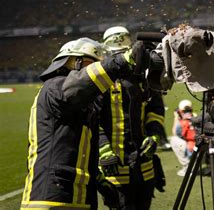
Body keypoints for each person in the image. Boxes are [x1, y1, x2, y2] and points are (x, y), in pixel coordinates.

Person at [21, 37, 140, 209]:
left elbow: (81, 155)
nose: (93, 71)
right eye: (89, 65)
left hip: (79, 197)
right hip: (51, 198)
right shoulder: (55, 87)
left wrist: (102, 184)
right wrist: (122, 61)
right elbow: (78, 85)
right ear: (72, 62)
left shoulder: (85, 106)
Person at [98, 26, 166, 209]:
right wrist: (103, 148)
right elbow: (90, 120)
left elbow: (156, 109)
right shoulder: (97, 81)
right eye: (115, 55)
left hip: (144, 166)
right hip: (115, 167)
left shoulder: (143, 76)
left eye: (123, 53)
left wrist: (154, 135)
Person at [170, 99, 197, 176]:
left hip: (191, 150)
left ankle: (188, 167)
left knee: (174, 140)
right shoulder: (196, 117)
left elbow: (175, 132)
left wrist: (176, 118)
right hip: (201, 150)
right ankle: (210, 166)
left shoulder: (182, 121)